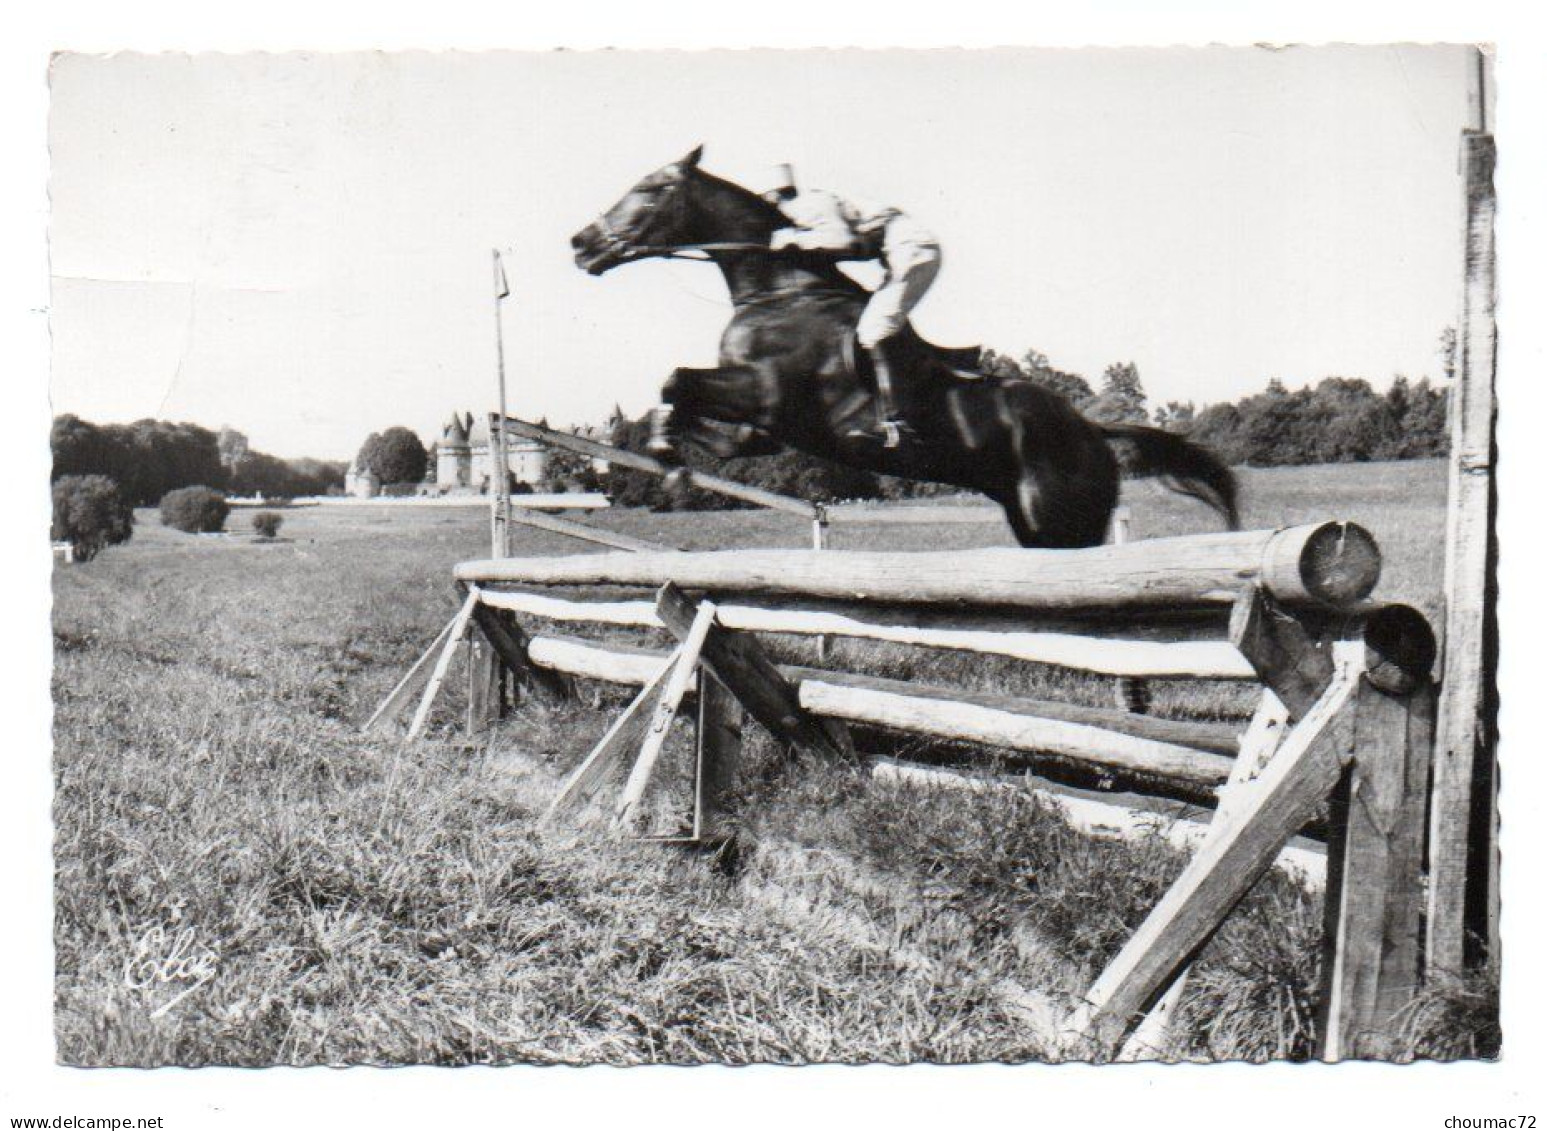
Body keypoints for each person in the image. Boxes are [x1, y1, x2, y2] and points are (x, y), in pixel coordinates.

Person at [760, 164, 941, 448]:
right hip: (900, 249)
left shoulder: (808, 204)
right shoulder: (805, 206)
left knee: (873, 330)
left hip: (911, 247)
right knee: (874, 323)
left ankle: (897, 424)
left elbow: (842, 241)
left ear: (773, 196)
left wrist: (793, 239)